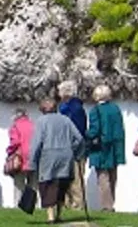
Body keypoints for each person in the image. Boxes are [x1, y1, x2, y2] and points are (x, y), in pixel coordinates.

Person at [30, 98, 85, 224]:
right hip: (66, 156)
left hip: (48, 156)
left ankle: (50, 216)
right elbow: (80, 138)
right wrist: (77, 153)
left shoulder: (41, 121)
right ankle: (59, 214)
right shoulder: (66, 120)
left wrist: (32, 161)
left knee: (47, 185)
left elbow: (36, 143)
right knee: (62, 184)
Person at [86, 85, 124, 212]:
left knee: (103, 177)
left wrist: (85, 135)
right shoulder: (115, 109)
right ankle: (111, 202)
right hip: (115, 146)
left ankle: (107, 206)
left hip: (102, 147)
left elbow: (94, 130)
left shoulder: (95, 110)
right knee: (113, 176)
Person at [56, 81, 87, 210]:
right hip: (70, 147)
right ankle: (69, 203)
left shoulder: (72, 109)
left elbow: (77, 130)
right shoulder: (71, 107)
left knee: (75, 179)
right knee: (68, 177)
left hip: (73, 148)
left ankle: (77, 204)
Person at [7, 108, 35, 205]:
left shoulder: (15, 126)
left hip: (20, 158)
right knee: (33, 184)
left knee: (19, 184)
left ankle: (18, 205)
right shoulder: (34, 125)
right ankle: (32, 205)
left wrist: (9, 151)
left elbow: (15, 142)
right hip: (33, 157)